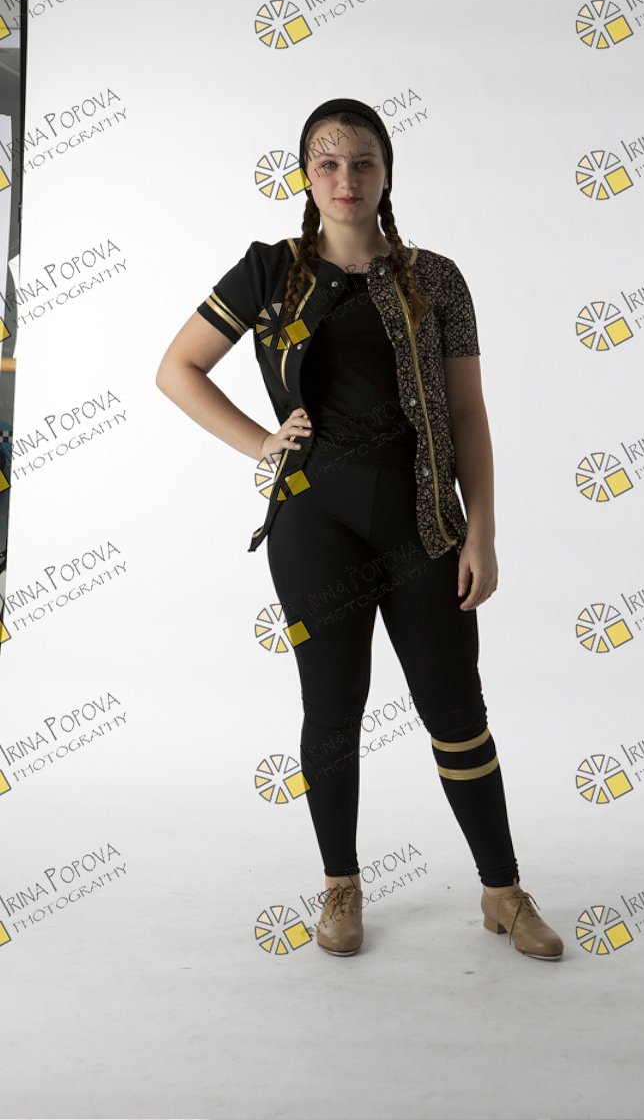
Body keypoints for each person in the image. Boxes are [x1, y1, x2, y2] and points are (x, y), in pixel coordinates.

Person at [156, 97, 564, 961]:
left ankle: (502, 890)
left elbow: (468, 411)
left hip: (423, 522)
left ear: (387, 174)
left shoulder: (436, 278)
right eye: (329, 162)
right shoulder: (269, 271)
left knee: (456, 706)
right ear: (307, 175)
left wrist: (482, 530)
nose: (347, 178)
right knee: (332, 707)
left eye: (364, 162)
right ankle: (341, 884)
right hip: (316, 523)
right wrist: (261, 443)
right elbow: (177, 367)